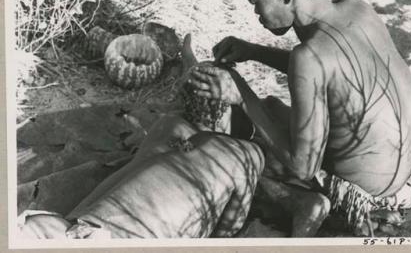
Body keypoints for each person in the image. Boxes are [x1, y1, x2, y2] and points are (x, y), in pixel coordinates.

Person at [188, 0, 411, 236]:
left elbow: (303, 167)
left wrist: (241, 94)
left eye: (257, 2)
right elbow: (334, 73)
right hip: (406, 182)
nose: (256, 13)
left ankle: (301, 202)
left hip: (366, 201)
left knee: (240, 151)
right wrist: (254, 52)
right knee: (272, 108)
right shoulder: (357, 8)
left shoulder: (308, 57)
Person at [17, 35, 264, 239]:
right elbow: (228, 230)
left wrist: (189, 57)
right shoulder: (246, 154)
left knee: (36, 229)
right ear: (229, 111)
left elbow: (192, 77)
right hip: (135, 238)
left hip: (82, 228)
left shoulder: (166, 126)